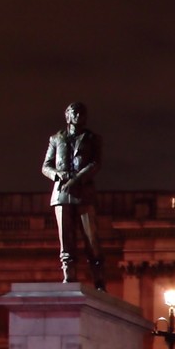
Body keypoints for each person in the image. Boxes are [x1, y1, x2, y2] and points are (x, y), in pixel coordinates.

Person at [41, 102, 108, 289]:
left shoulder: (93, 138)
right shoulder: (55, 139)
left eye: (82, 113)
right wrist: (58, 174)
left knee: (91, 239)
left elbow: (95, 163)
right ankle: (69, 276)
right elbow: (46, 166)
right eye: (75, 113)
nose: (79, 116)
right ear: (67, 115)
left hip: (84, 192)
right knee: (66, 239)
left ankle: (99, 279)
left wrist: (77, 179)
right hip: (61, 194)